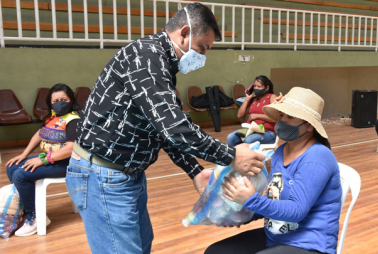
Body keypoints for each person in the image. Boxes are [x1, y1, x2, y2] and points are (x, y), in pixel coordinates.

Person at [66, 3, 265, 254]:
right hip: (104, 175)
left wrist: (194, 171)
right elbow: (173, 127)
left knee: (140, 247)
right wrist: (232, 156)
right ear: (184, 33)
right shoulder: (146, 57)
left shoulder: (161, 63)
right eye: (202, 47)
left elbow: (160, 129)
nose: (202, 57)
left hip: (128, 175)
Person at [205, 87, 342, 254]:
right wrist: (241, 213)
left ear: (309, 126)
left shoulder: (317, 157)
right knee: (214, 251)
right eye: (281, 115)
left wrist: (251, 200)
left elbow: (296, 210)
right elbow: (274, 198)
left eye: (290, 117)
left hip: (309, 245)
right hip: (276, 237)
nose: (282, 121)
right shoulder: (280, 152)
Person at [5, 83, 81, 236]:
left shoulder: (74, 119)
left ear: (71, 100)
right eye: (55, 100)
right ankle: (29, 209)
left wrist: (43, 160)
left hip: (67, 163)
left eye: (63, 99)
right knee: (12, 167)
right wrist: (24, 154)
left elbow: (70, 149)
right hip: (48, 158)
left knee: (20, 175)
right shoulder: (52, 115)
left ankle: (35, 217)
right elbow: (40, 133)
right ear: (50, 103)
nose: (59, 103)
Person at [226, 75, 278, 147]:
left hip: (267, 132)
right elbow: (239, 115)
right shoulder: (253, 100)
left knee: (248, 140)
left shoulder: (271, 97)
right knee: (230, 138)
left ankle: (247, 157)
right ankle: (233, 157)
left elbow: (277, 118)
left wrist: (256, 116)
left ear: (267, 88)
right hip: (250, 130)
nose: (256, 88)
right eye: (254, 86)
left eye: (259, 86)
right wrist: (247, 99)